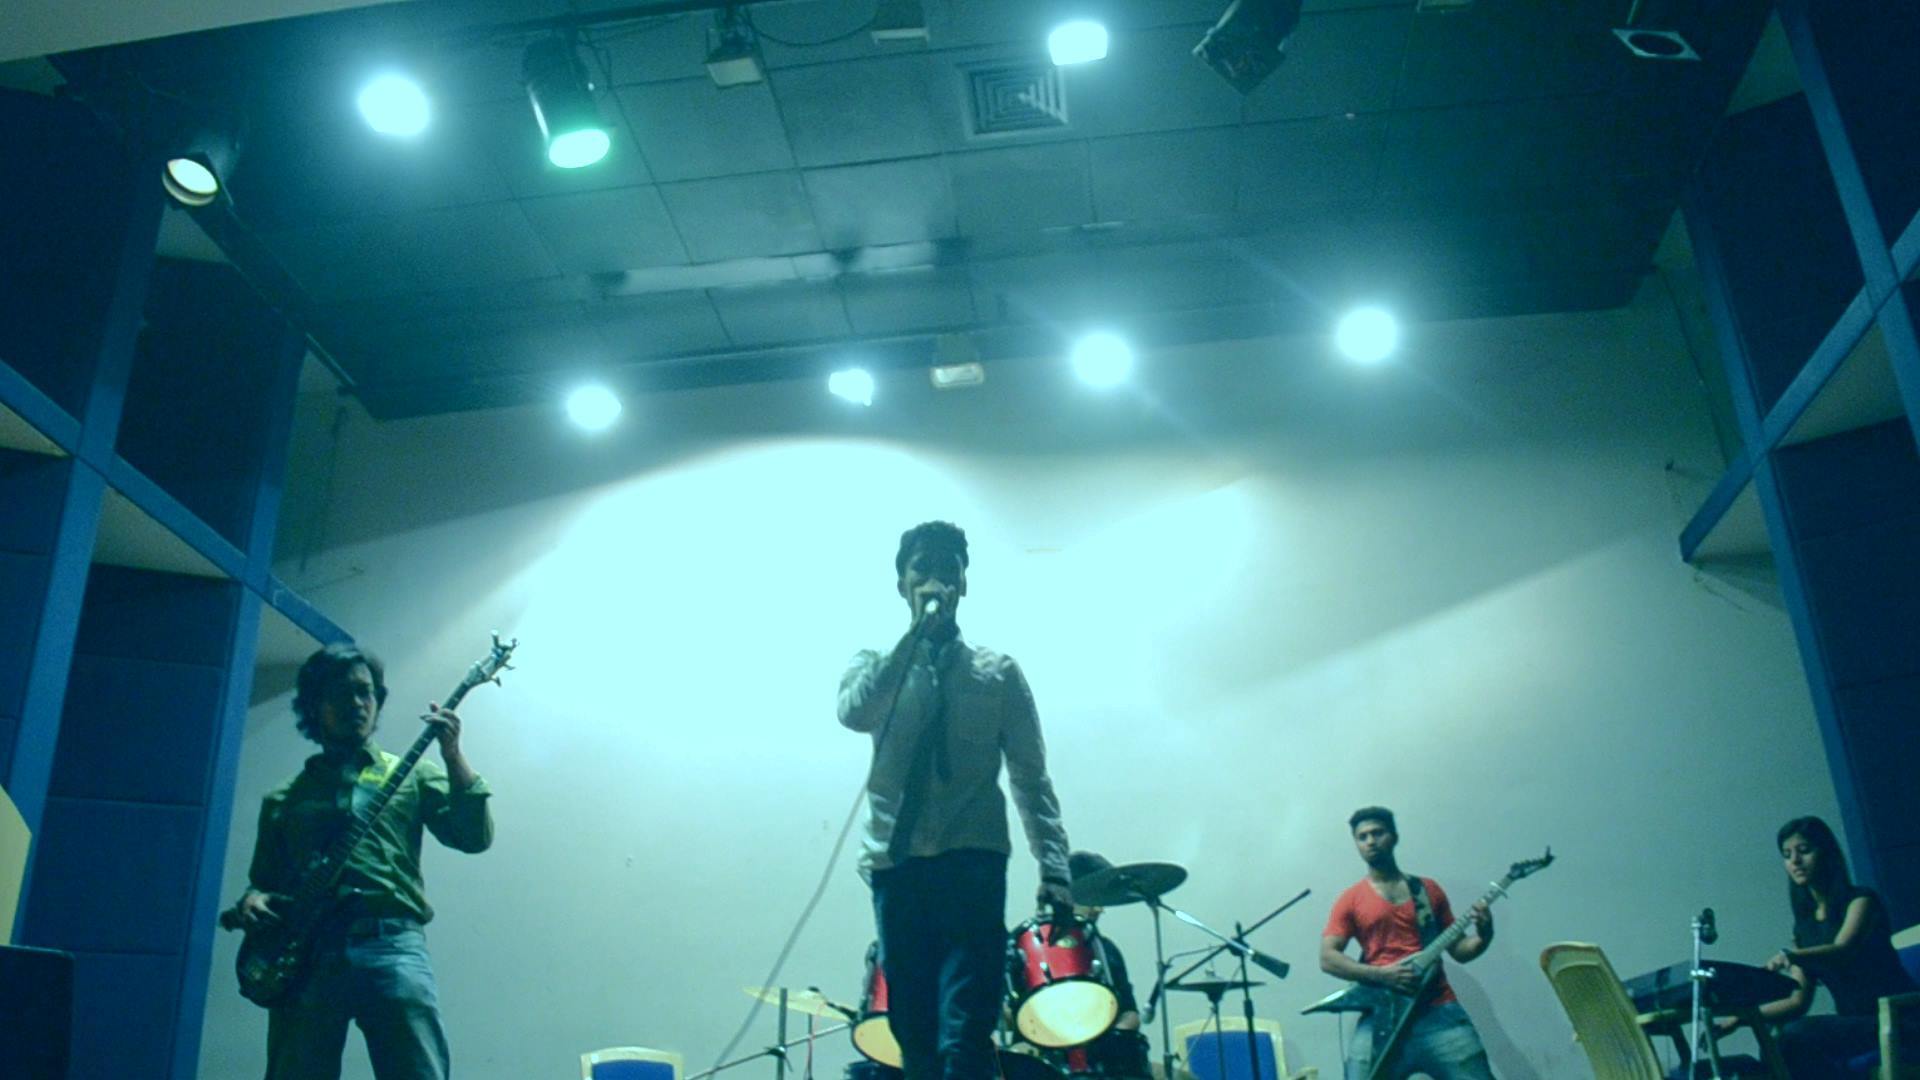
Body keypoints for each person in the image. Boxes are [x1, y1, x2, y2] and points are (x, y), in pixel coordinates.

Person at [839, 521, 1074, 1080]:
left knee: (966, 1029)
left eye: (949, 568)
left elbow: (1031, 779)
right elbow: (855, 713)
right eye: (922, 568)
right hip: (897, 866)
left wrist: (1056, 870)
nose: (936, 579)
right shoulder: (875, 664)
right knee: (913, 1031)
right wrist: (912, 639)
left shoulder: (998, 673)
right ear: (901, 584)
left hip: (973, 862)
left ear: (965, 583)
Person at [230, 643, 494, 1080]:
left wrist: (453, 755)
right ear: (315, 705)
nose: (356, 703)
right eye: (341, 693)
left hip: (394, 946)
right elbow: (264, 883)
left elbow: (474, 837)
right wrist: (252, 900)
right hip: (309, 954)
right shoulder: (283, 799)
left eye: (365, 691)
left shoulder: (412, 774)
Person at [1319, 807, 1495, 1080]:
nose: (1370, 841)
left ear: (1394, 836)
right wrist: (1381, 975)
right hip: (1382, 1015)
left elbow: (1460, 951)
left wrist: (1485, 933)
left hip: (1438, 1010)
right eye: (1362, 837)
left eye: (1378, 833)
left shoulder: (1427, 890)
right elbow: (1328, 958)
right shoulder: (1350, 899)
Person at [1742, 815, 1916, 1078]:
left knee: (1794, 1037)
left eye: (1804, 851)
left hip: (1897, 1019)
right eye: (1787, 855)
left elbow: (1843, 948)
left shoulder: (1862, 901)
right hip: (1854, 1023)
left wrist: (1791, 956)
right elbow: (1798, 1001)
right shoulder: (1804, 929)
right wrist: (1742, 1017)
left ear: (1826, 854)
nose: (1795, 861)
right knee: (1774, 1045)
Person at [1060, 850, 1151, 1079]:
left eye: (1101, 901)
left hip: (1106, 1063)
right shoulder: (1029, 947)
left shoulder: (1107, 949)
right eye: (1092, 899)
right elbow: (1009, 1014)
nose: (1099, 909)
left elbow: (1130, 1011)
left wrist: (1118, 1039)